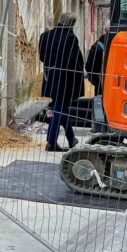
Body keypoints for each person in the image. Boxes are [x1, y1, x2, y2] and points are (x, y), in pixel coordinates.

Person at [38, 12, 85, 152]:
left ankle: (71, 139)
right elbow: (74, 63)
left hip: (49, 76)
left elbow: (42, 57)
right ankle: (51, 142)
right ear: (72, 24)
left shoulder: (45, 36)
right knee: (58, 108)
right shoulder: (71, 38)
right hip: (64, 80)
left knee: (57, 108)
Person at [85, 22, 111, 96]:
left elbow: (88, 67)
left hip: (101, 85)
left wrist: (96, 81)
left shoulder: (97, 46)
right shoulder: (123, 45)